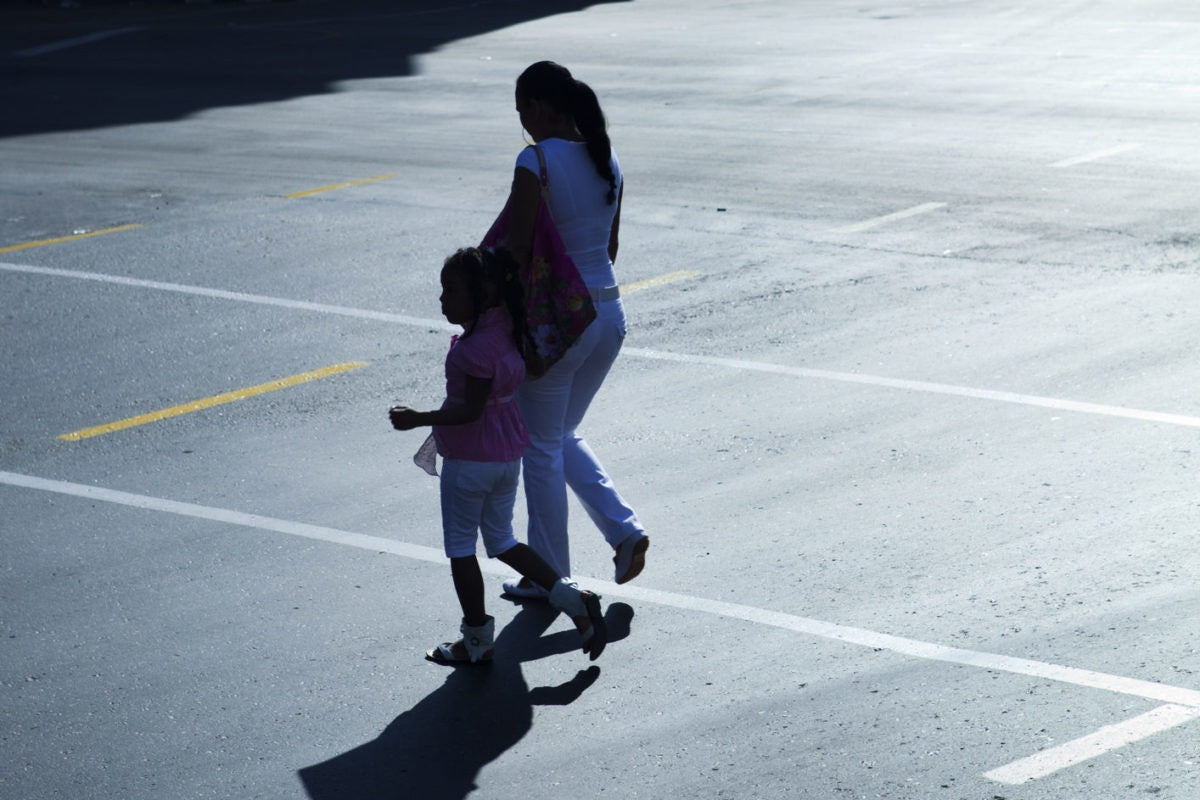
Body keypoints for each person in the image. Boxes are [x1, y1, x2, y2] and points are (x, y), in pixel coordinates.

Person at [389, 246, 607, 664]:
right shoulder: (506, 325)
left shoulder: (472, 351)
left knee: (460, 548)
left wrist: (418, 418)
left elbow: (469, 410)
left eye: (451, 290)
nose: (442, 299)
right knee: (503, 540)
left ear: (481, 293)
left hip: (470, 462)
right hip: (507, 457)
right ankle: (575, 600)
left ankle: (476, 643)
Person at [499, 61, 650, 599]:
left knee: (538, 445)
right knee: (557, 434)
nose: (523, 124)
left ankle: (548, 577)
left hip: (561, 321)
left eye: (523, 112)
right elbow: (609, 248)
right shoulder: (605, 157)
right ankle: (623, 531)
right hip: (608, 315)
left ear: (539, 106)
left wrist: (508, 322)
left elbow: (516, 252)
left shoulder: (534, 161)